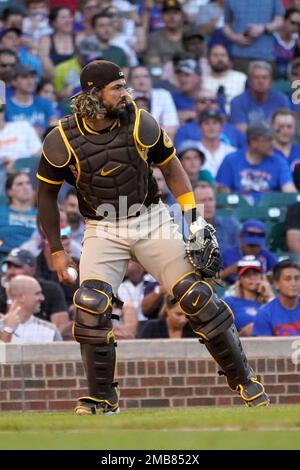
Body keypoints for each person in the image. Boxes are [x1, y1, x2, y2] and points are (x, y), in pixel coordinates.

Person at [36, 59, 269, 414]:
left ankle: (246, 381)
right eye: (117, 88)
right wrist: (56, 249)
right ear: (93, 94)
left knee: (197, 297)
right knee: (90, 305)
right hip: (102, 227)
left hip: (151, 219)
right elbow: (46, 197)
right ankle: (103, 397)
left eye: (125, 85)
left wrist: (193, 219)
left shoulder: (141, 121)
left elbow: (172, 168)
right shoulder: (61, 138)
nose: (126, 94)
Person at [0, 274, 62, 343]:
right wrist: (9, 329)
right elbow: (2, 353)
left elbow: (61, 353)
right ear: (21, 297)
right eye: (37, 293)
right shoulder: (1, 327)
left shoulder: (50, 330)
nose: (42, 298)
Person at [222, 256, 274, 336]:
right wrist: (242, 334)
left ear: (261, 277)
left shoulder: (269, 303)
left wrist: (270, 295)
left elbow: (280, 323)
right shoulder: (228, 302)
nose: (252, 278)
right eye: (247, 275)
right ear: (240, 279)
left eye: (255, 274)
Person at [221, 219, 278, 284]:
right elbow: (211, 280)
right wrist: (231, 270)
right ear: (241, 238)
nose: (253, 248)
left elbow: (279, 272)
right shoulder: (227, 253)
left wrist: (268, 276)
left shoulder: (265, 254)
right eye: (250, 245)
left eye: (257, 245)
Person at [252, 259, 300, 336]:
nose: (293, 283)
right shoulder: (264, 313)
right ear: (276, 283)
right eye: (288, 279)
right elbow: (262, 346)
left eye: (297, 278)